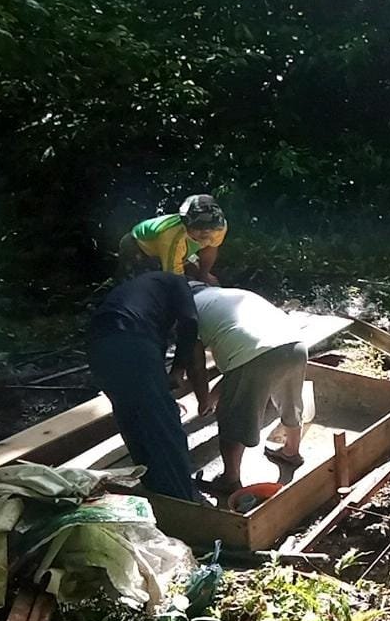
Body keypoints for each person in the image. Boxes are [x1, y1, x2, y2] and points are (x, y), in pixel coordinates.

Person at [88, 272, 207, 502]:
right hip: (130, 339)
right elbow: (190, 322)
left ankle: (155, 489)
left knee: (131, 417)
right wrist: (179, 369)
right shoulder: (179, 282)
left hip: (97, 346)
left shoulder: (145, 293)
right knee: (165, 423)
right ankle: (184, 499)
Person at [188, 285, 308, 493]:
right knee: (290, 400)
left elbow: (197, 365)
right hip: (295, 345)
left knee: (232, 417)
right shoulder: (228, 294)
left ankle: (230, 479)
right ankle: (291, 453)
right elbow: (238, 370)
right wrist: (212, 397)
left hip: (255, 356)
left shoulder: (189, 310)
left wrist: (203, 400)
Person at [118, 194, 227, 284]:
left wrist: (204, 275)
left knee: (202, 279)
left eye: (211, 227)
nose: (207, 232)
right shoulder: (171, 238)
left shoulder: (219, 228)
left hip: (182, 252)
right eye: (201, 227)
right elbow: (174, 279)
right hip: (139, 248)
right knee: (143, 285)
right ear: (187, 224)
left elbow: (211, 249)